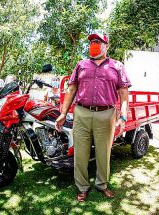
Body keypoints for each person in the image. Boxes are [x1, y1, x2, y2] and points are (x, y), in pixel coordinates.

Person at [55, 33, 131, 202]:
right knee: (80, 153)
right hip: (81, 113)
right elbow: (71, 90)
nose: (94, 44)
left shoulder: (117, 66)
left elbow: (124, 94)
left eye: (98, 41)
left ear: (107, 45)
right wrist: (62, 113)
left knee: (104, 153)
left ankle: (102, 184)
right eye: (91, 42)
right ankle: (82, 187)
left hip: (106, 114)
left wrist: (123, 116)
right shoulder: (81, 65)